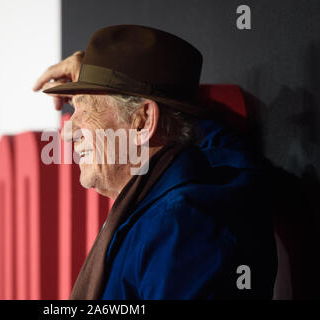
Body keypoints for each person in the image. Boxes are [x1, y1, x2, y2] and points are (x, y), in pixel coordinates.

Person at [34, 25, 277, 299]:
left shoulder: (178, 225)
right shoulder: (183, 193)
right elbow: (193, 133)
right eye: (73, 108)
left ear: (143, 121)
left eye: (86, 108)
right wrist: (98, 73)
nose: (67, 131)